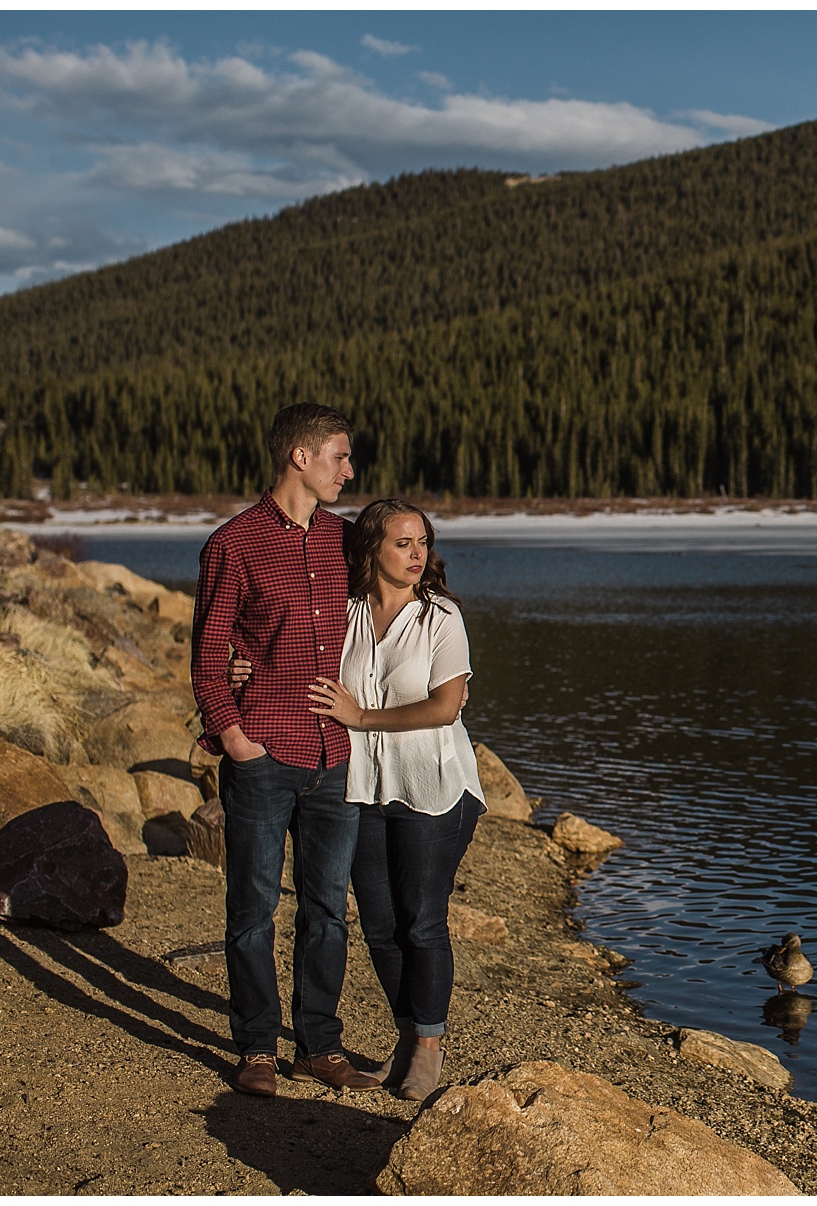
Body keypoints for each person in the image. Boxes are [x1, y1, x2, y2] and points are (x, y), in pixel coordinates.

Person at [192, 402, 382, 1096]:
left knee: (327, 909)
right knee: (251, 908)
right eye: (340, 455)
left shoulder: (345, 539)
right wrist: (236, 739)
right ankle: (255, 1050)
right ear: (300, 457)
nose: (349, 469)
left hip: (335, 757)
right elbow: (209, 657)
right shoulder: (233, 544)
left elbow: (403, 586)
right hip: (263, 757)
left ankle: (318, 1045)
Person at [306, 498, 487, 1101]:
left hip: (433, 787)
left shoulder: (442, 617)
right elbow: (303, 663)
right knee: (380, 925)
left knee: (421, 919)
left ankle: (429, 1049)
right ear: (371, 550)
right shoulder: (347, 613)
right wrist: (246, 671)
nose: (418, 555)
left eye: (423, 543)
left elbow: (446, 706)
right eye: (403, 543)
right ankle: (406, 1036)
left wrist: (361, 716)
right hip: (361, 786)